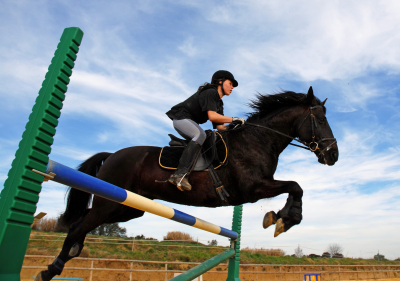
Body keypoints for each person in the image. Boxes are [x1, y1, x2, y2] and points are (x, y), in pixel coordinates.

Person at [165, 70, 245, 191]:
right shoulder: (210, 92)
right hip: (180, 118)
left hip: (189, 121)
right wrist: (234, 119)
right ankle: (179, 175)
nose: (232, 87)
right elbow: (212, 116)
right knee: (200, 134)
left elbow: (220, 127)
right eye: (230, 83)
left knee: (207, 138)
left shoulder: (219, 103)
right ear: (220, 81)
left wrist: (235, 127)